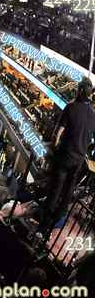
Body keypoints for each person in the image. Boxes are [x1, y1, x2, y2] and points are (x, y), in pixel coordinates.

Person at [38, 78, 95, 235]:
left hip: (65, 157)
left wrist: (54, 147)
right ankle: (56, 222)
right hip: (78, 161)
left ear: (80, 91)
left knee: (55, 191)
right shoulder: (93, 115)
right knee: (68, 193)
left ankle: (43, 227)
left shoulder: (70, 107)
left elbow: (59, 132)